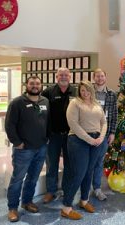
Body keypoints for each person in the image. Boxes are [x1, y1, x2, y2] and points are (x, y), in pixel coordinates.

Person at [5, 76, 49, 222]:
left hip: (41, 147)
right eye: (32, 84)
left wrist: (46, 139)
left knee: (33, 178)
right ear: (27, 85)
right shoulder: (17, 103)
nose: (35, 86)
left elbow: (47, 122)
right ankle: (12, 208)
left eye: (37, 84)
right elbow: (9, 125)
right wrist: (17, 142)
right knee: (17, 179)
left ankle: (27, 202)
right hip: (23, 149)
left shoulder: (45, 102)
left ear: (41, 86)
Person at [61, 81, 107, 220]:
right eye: (82, 90)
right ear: (79, 91)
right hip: (78, 140)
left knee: (89, 171)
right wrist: (89, 139)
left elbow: (104, 122)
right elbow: (73, 124)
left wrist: (101, 137)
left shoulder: (96, 104)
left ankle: (84, 201)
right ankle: (66, 207)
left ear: (91, 90)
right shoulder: (75, 103)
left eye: (87, 90)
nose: (85, 93)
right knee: (79, 173)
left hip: (96, 141)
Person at [41, 67, 76, 204]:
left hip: (71, 135)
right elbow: (41, 113)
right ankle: (51, 191)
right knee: (52, 163)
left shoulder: (76, 91)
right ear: (56, 77)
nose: (63, 77)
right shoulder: (48, 92)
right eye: (60, 75)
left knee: (69, 164)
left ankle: (67, 189)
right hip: (53, 135)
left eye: (66, 75)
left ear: (70, 77)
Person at [92, 68, 118, 201]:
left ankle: (97, 188)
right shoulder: (88, 92)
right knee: (85, 162)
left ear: (105, 78)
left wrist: (112, 133)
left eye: (102, 76)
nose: (100, 78)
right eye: (97, 76)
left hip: (104, 133)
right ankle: (83, 188)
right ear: (94, 78)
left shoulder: (112, 95)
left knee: (99, 162)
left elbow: (114, 115)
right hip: (88, 132)